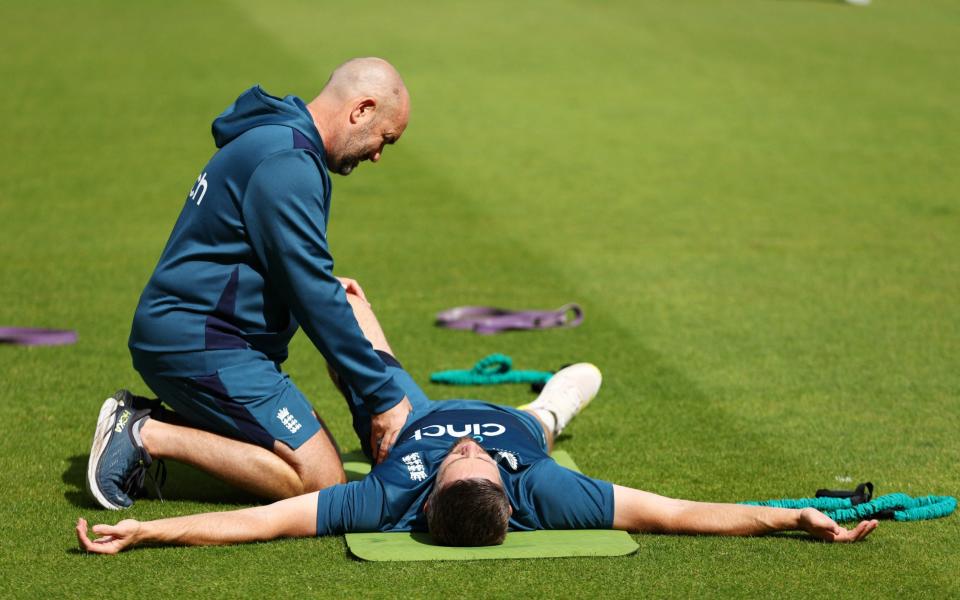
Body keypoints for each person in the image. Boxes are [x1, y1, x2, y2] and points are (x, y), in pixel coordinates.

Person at [77, 292, 879, 552]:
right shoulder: (544, 491)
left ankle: (147, 430)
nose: (467, 446)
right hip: (523, 418)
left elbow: (267, 522)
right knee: (569, 390)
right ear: (506, 488)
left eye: (460, 460)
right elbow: (675, 514)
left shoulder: (387, 496)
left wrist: (154, 532)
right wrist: (788, 514)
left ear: (425, 500)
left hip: (405, 416)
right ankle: (551, 405)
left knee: (360, 344)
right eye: (475, 458)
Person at [86, 57, 415, 511]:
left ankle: (154, 422)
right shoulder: (288, 162)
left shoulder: (275, 139)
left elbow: (250, 252)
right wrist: (385, 396)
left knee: (311, 448)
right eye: (385, 139)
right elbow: (313, 296)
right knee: (321, 480)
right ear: (361, 110)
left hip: (194, 334)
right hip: (202, 343)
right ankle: (144, 432)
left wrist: (321, 282)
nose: (378, 154)